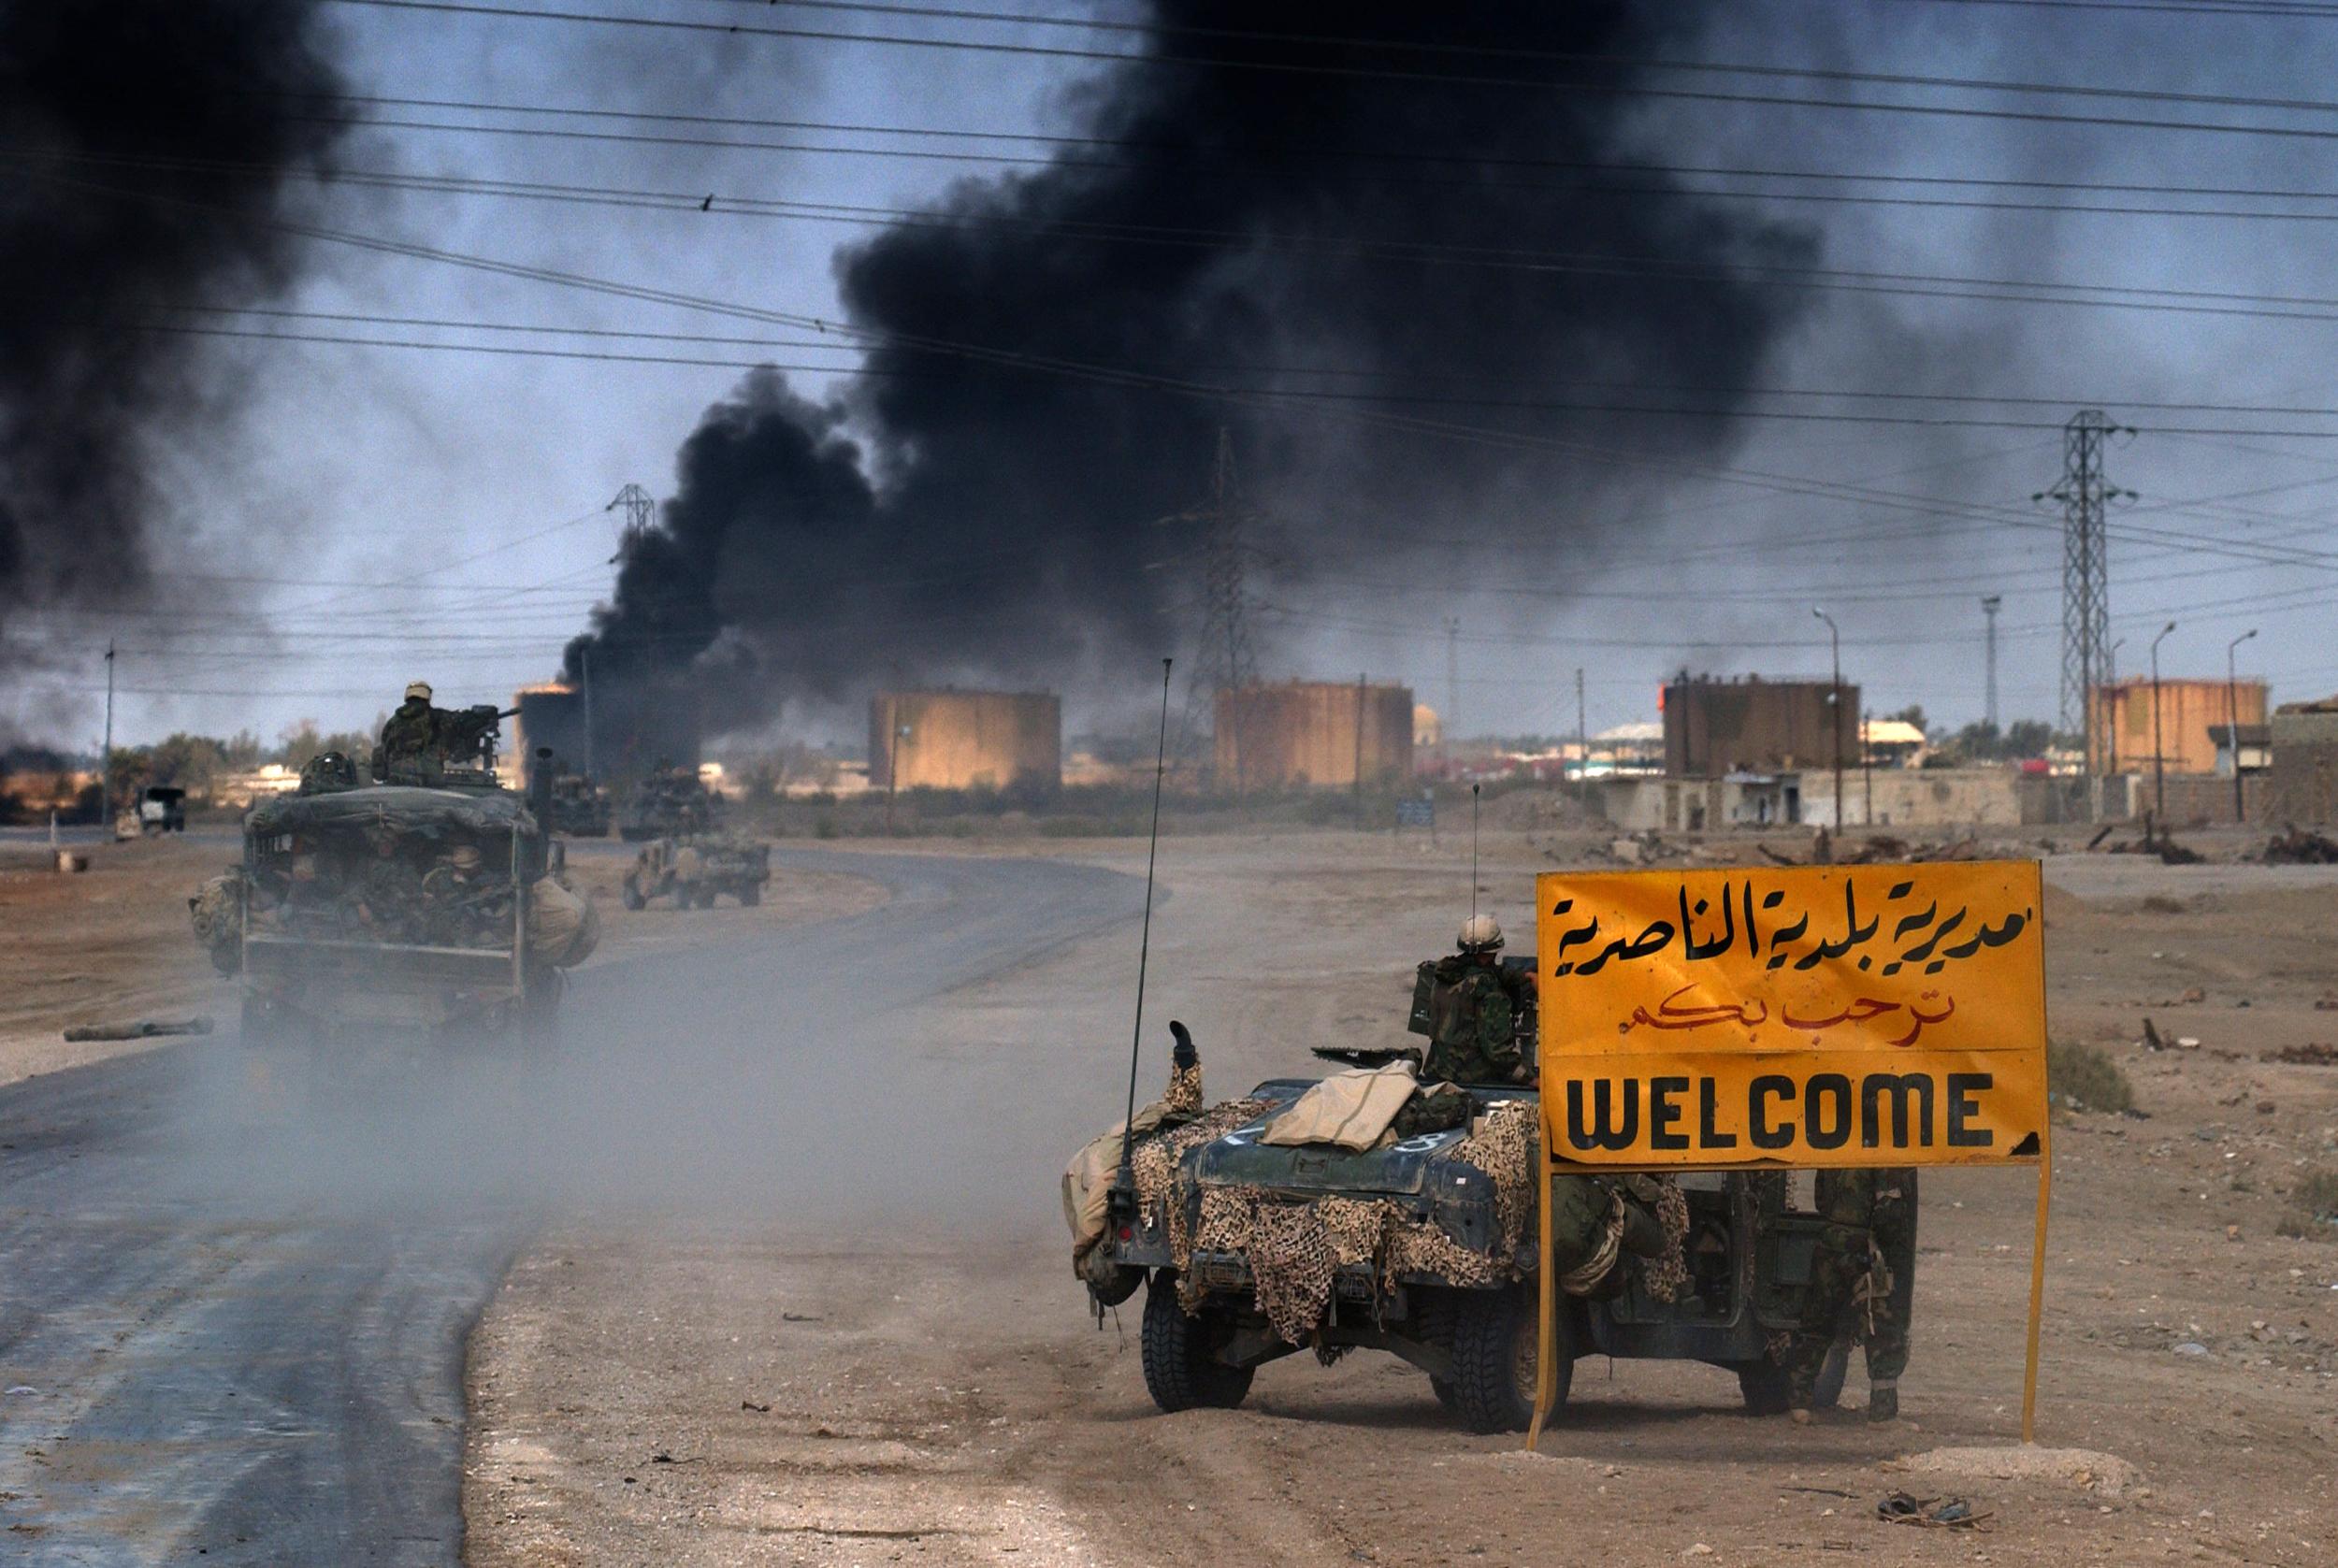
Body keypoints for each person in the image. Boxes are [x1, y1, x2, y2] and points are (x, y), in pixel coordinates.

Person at [1789, 1167, 1918, 1422]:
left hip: (1830, 1242)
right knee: (1880, 1327)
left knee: (1816, 1323)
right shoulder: (1884, 1154)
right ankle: (1883, 1414)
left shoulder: (1837, 1151)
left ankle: (1799, 1404)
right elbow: (1890, 1213)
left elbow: (1821, 1199)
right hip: (1865, 1248)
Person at [1414, 915, 1536, 1085]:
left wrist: (1521, 977)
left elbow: (1485, 970)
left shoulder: (1441, 975)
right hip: (1474, 1078)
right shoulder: (1489, 990)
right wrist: (1530, 1079)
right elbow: (1498, 1053)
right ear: (1495, 950)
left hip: (1436, 1071)